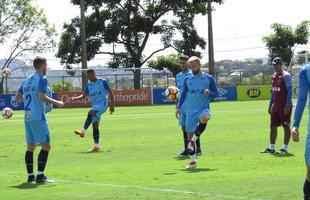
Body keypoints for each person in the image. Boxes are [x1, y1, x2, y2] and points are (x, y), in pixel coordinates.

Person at [15, 56, 64, 183]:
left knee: (30, 147)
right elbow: (41, 96)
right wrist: (58, 102)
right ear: (42, 66)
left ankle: (31, 176)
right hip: (38, 117)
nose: (46, 67)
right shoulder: (42, 78)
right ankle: (40, 176)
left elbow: (17, 97)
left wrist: (27, 100)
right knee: (46, 145)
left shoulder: (26, 80)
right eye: (46, 65)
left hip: (27, 117)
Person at [177, 56, 218, 169]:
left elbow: (216, 93)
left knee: (205, 118)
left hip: (203, 108)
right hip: (191, 110)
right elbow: (184, 94)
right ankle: (193, 162)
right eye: (191, 66)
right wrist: (179, 107)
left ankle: (194, 140)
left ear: (199, 64)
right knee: (189, 137)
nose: (193, 68)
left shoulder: (208, 78)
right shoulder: (187, 79)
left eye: (194, 65)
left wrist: (209, 92)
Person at [72, 69, 115, 152]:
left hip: (103, 104)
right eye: (88, 76)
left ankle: (83, 132)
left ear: (94, 74)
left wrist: (112, 105)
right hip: (95, 106)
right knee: (95, 125)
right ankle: (96, 146)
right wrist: (76, 98)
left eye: (90, 76)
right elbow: (84, 95)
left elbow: (110, 92)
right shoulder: (89, 84)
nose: (89, 78)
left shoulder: (102, 82)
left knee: (90, 112)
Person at [261, 57, 292, 155]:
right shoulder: (273, 76)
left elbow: (290, 91)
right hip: (275, 106)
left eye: (276, 64)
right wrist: (270, 105)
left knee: (286, 126)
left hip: (284, 105)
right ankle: (271, 147)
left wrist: (287, 105)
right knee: (273, 126)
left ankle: (284, 148)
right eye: (273, 64)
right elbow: (273, 92)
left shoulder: (286, 76)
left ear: (280, 64)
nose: (274, 66)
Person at [175, 55, 201, 156]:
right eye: (180, 63)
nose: (182, 65)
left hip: (191, 105)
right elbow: (178, 92)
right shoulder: (178, 76)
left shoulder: (192, 75)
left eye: (184, 63)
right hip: (182, 106)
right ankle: (187, 148)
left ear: (188, 63)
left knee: (192, 127)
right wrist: (177, 105)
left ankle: (197, 148)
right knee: (184, 127)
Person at [291, 63, 310, 200]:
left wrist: (296, 125)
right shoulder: (306, 69)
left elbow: (302, 99)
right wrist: (295, 124)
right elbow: (302, 99)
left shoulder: (306, 69)